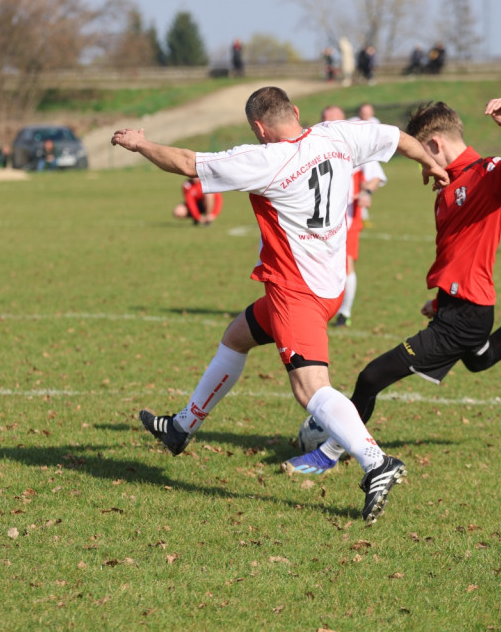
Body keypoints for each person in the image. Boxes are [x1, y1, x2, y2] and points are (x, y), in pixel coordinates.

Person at [111, 86, 449, 524]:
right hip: (326, 284)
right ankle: (182, 428)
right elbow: (397, 138)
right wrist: (431, 163)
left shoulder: (265, 159)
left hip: (297, 290)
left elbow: (186, 163)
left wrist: (139, 143)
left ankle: (376, 462)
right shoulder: (336, 135)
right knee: (236, 337)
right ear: (295, 111)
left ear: (258, 127)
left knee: (310, 389)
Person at [282, 97, 501, 475]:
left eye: (421, 155)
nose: (423, 165)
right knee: (482, 358)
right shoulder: (449, 184)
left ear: (435, 145)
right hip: (462, 304)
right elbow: (455, 250)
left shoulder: (487, 175)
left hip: (465, 314)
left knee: (371, 377)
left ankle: (327, 455)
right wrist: (441, 296)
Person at [333, 103, 387, 328]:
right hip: (317, 222)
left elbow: (374, 176)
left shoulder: (356, 148)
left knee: (345, 264)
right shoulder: (312, 148)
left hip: (347, 218)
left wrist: (365, 192)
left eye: (335, 120)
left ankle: (344, 313)